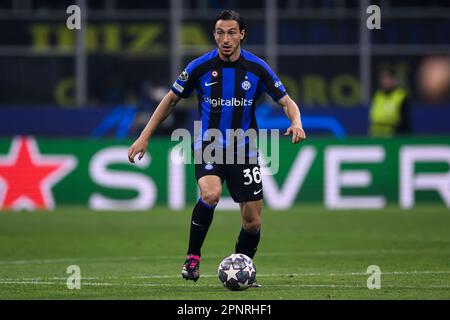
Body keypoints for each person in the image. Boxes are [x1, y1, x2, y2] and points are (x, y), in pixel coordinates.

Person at [128, 10, 306, 285]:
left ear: (242, 35)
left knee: (253, 223)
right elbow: (170, 100)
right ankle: (193, 257)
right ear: (214, 35)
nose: (226, 38)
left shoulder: (257, 68)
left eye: (232, 32)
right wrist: (144, 136)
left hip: (245, 152)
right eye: (220, 33)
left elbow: (286, 100)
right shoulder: (199, 66)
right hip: (209, 145)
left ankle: (242, 266)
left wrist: (296, 121)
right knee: (210, 195)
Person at [369, 68, 411, 137]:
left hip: (393, 136)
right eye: (383, 79)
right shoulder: (378, 95)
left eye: (388, 79)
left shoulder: (400, 96)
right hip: (376, 136)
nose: (385, 81)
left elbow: (406, 121)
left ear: (393, 80)